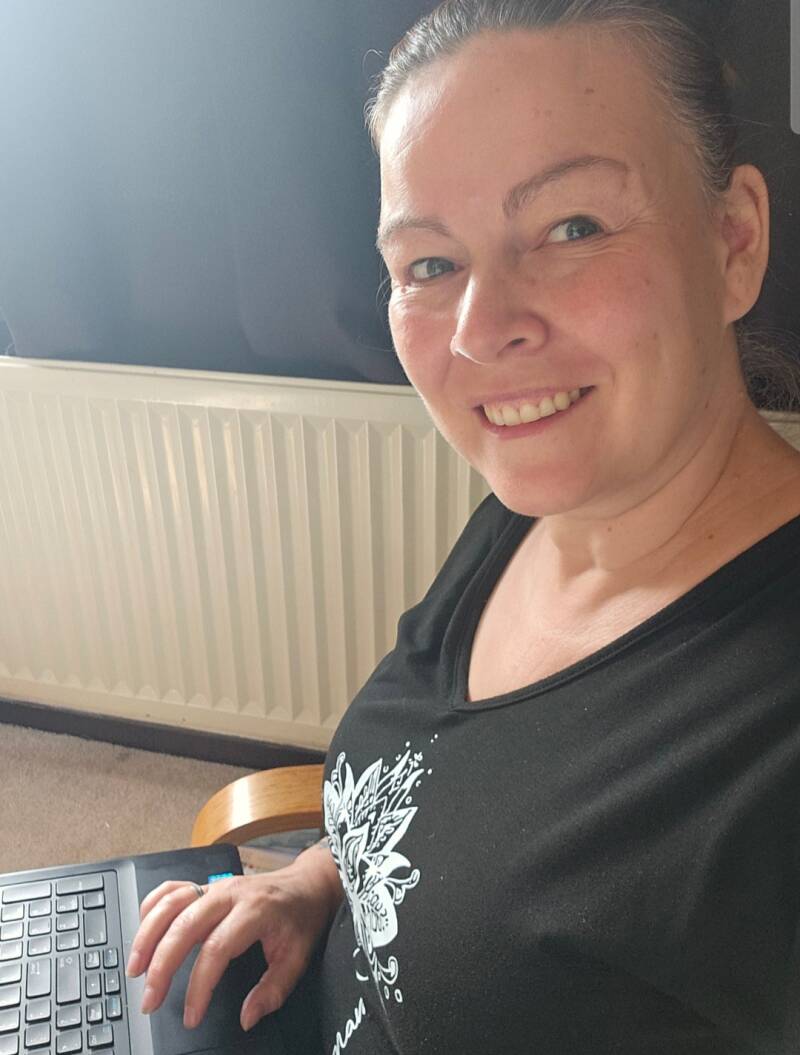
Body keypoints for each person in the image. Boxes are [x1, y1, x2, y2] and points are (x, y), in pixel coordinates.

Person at [125, 1, 800, 1051]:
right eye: (429, 265)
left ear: (734, 240)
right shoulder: (529, 518)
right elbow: (443, 790)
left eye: (571, 228)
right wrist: (315, 880)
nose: (481, 333)